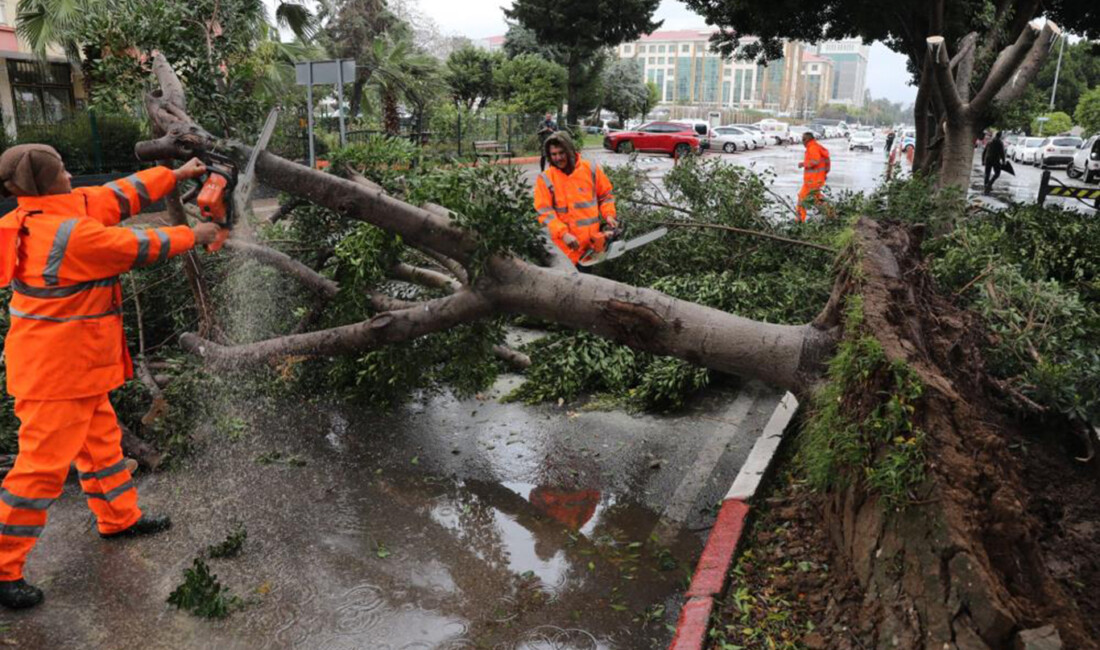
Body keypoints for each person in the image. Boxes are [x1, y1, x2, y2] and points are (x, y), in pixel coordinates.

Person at [0, 144, 219, 609]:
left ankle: (119, 517)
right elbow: (138, 245)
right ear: (45, 183)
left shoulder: (46, 212)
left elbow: (118, 194)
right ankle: (3, 567)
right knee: (39, 470)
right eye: (62, 169)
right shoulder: (70, 235)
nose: (71, 173)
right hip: (55, 374)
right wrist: (195, 234)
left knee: (100, 443)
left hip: (71, 366)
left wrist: (175, 174)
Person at [533, 132, 617, 265]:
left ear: (569, 151)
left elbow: (606, 196)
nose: (558, 158)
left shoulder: (590, 169)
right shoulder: (546, 178)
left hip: (591, 246)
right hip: (564, 248)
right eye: (553, 154)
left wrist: (609, 215)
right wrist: (563, 233)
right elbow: (544, 212)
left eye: (561, 153)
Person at [797, 131, 831, 222]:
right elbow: (826, 163)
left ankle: (800, 220)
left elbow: (815, 161)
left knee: (803, 198)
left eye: (803, 140)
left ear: (807, 140)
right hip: (815, 180)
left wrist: (803, 164)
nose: (802, 142)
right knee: (815, 199)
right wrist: (824, 174)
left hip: (812, 181)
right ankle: (831, 215)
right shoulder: (817, 147)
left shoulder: (812, 148)